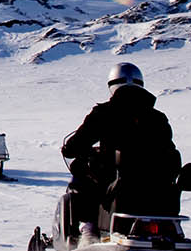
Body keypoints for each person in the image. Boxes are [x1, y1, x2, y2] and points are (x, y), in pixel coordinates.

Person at [59, 62, 180, 240]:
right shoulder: (158, 118)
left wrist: (70, 148)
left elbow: (80, 141)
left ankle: (88, 228)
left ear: (112, 85)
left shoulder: (104, 113)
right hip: (156, 186)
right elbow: (168, 149)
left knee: (82, 179)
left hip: (117, 182)